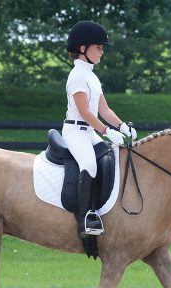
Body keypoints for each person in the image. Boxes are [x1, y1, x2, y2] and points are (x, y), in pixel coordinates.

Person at [64, 20, 137, 237]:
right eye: (99, 47)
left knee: (112, 158)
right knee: (89, 164)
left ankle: (106, 209)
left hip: (89, 132)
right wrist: (107, 132)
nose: (102, 52)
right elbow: (85, 112)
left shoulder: (92, 77)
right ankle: (85, 218)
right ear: (82, 48)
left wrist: (122, 126)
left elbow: (103, 109)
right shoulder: (77, 75)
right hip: (75, 131)